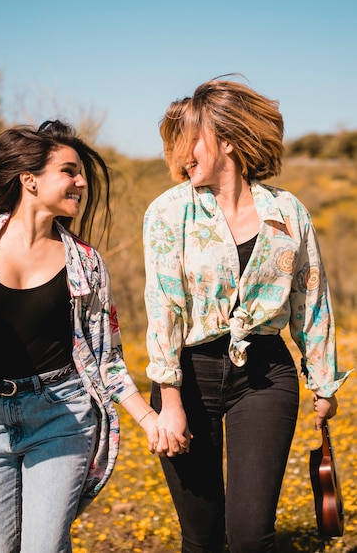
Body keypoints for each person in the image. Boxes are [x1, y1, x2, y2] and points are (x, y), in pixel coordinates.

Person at [0, 120, 160, 553]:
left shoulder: (87, 265)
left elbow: (107, 358)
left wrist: (149, 420)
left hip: (61, 415)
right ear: (30, 180)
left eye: (82, 175)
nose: (80, 183)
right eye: (69, 171)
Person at [142, 78, 351, 553]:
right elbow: (164, 308)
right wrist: (169, 402)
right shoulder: (169, 212)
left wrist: (322, 384)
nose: (181, 154)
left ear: (229, 139)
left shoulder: (288, 211)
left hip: (265, 374)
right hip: (189, 374)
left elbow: (311, 298)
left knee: (252, 535)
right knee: (201, 537)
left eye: (192, 139)